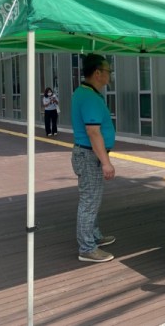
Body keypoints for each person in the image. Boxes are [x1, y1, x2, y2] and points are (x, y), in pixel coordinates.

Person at [71, 54, 117, 263]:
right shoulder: (88, 96)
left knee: (92, 199)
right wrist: (106, 163)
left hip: (89, 154)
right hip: (90, 155)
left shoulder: (87, 93)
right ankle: (87, 247)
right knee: (89, 201)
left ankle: (94, 236)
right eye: (108, 71)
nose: (110, 75)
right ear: (97, 73)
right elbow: (93, 132)